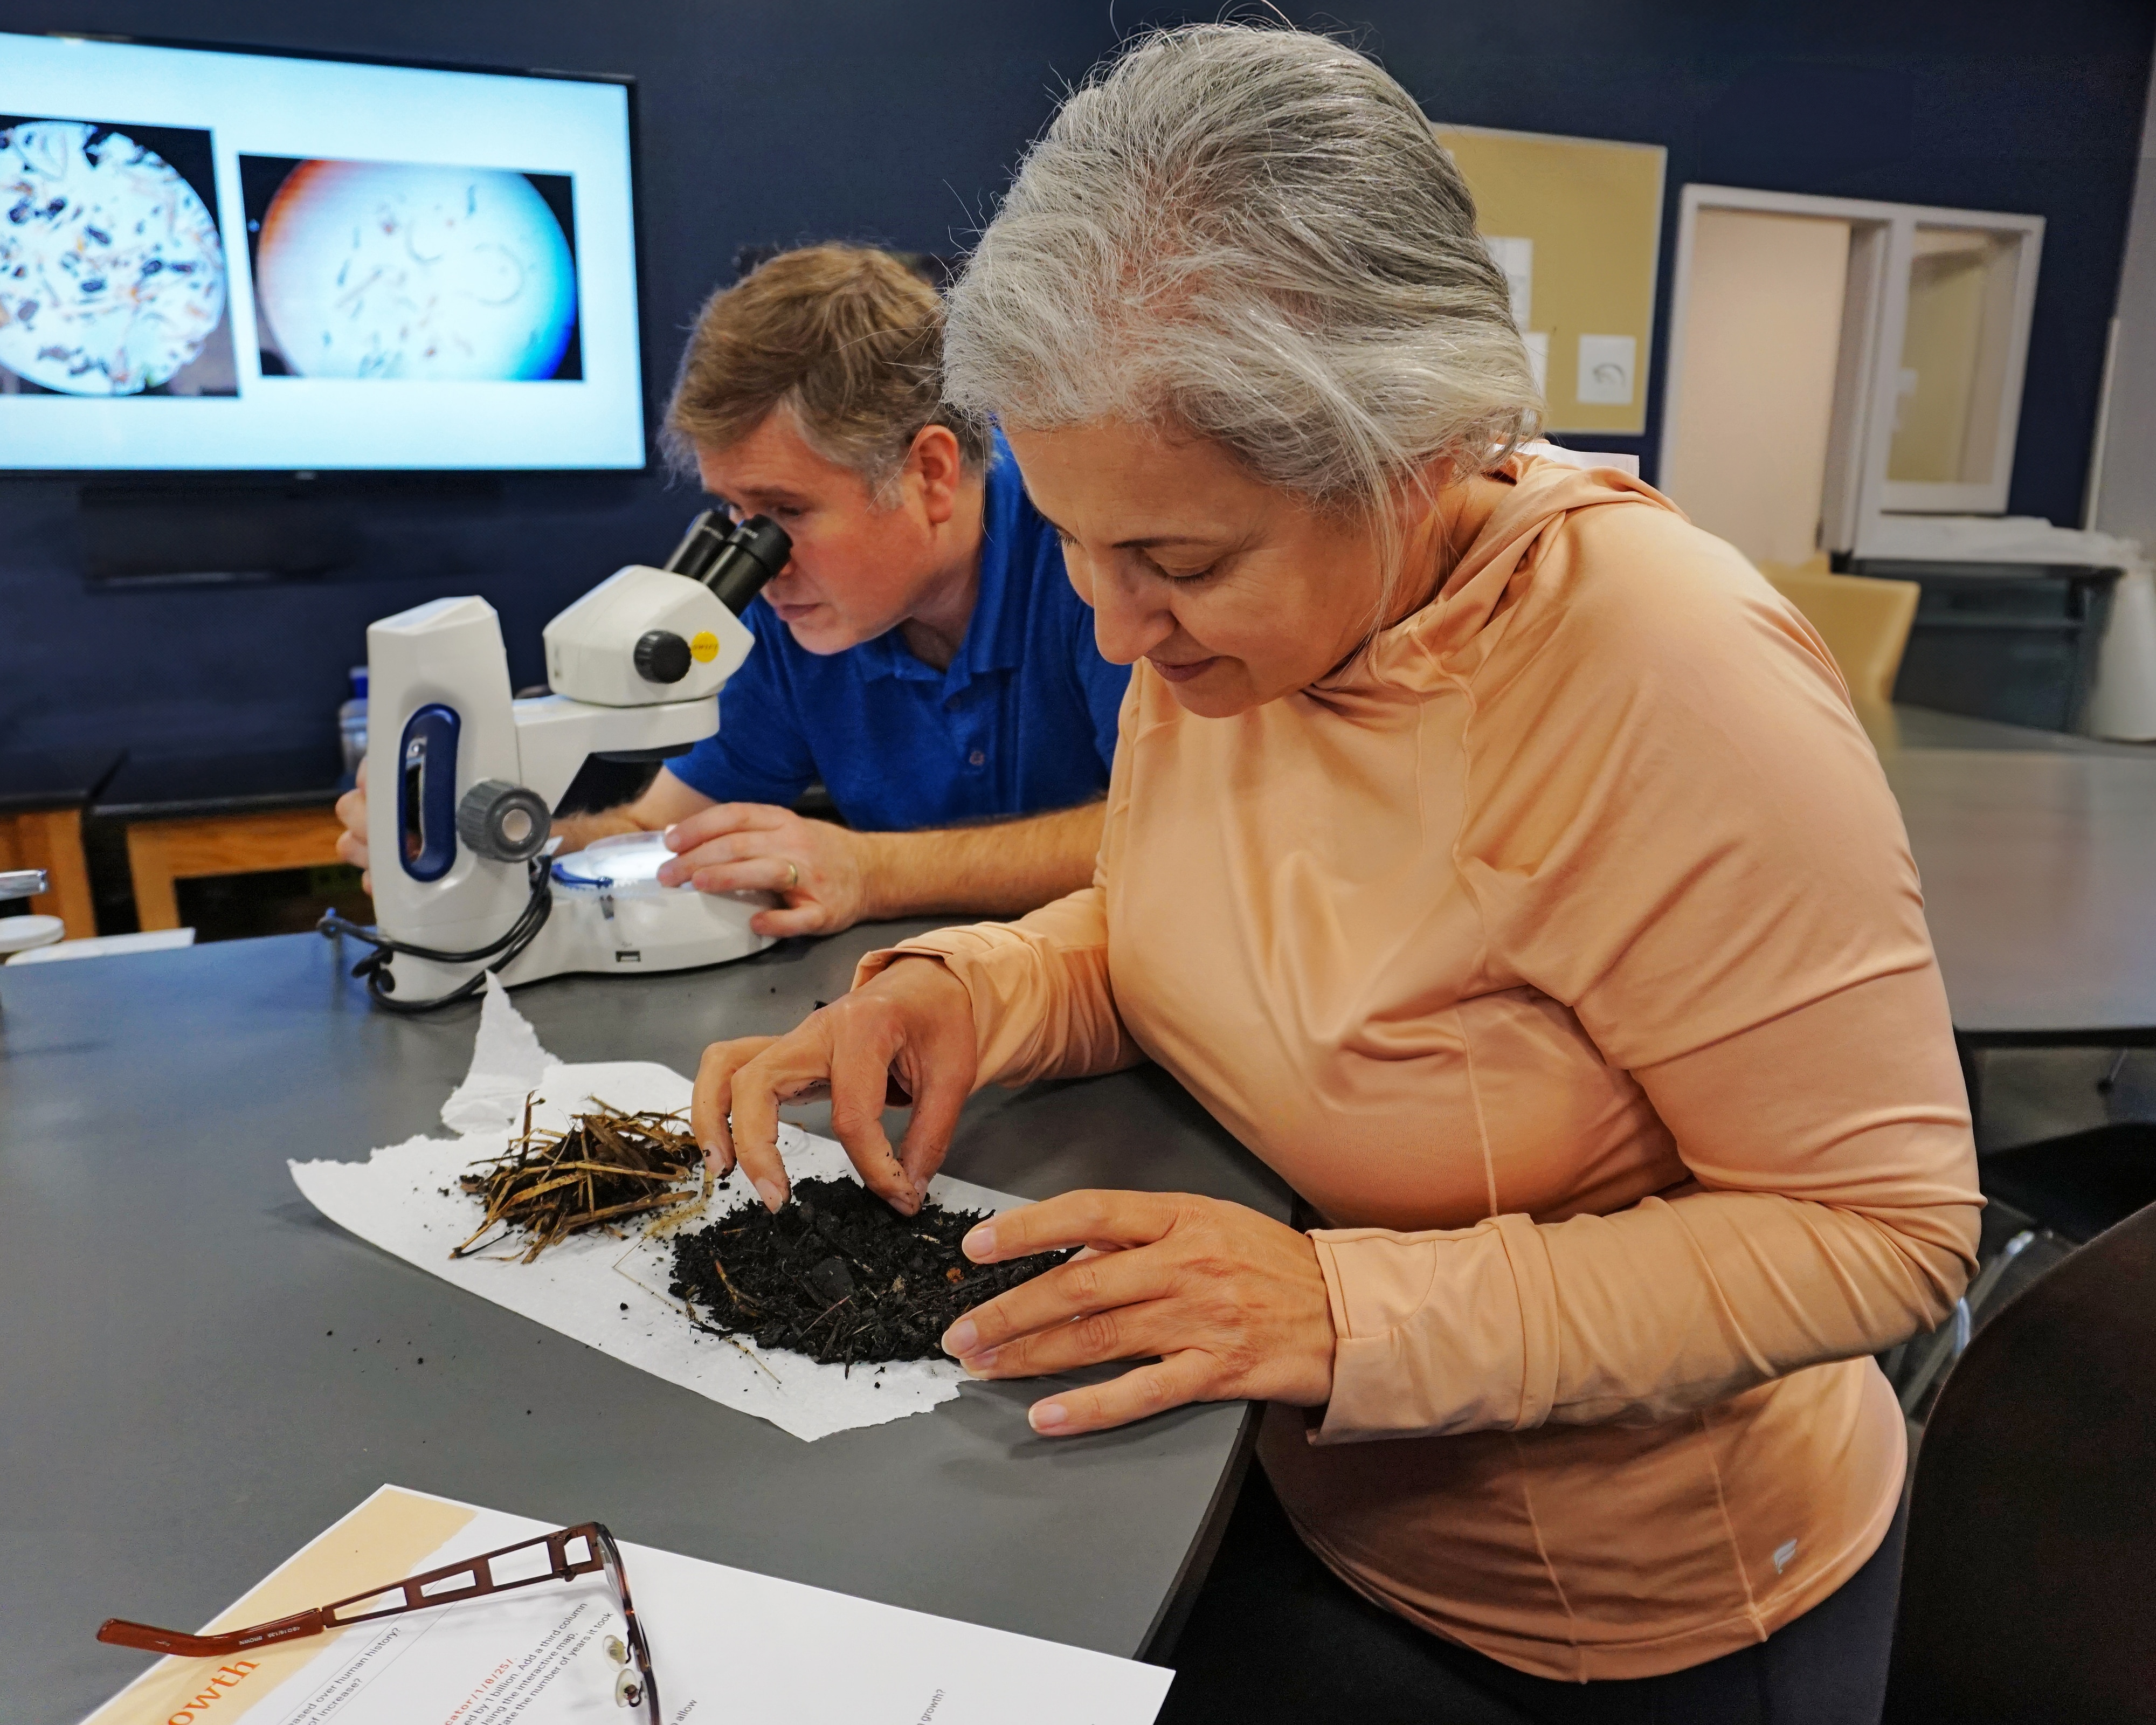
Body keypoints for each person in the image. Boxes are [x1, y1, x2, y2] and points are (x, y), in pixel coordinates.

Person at [688, 27, 1980, 1725]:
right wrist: (973, 985)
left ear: (1414, 448)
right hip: (1300, 1506)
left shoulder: (1663, 676)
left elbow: (1882, 1234)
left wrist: (1340, 1307)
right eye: (1072, 543)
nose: (1113, 630)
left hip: (1615, 1628)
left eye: (1175, 559)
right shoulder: (1243, 626)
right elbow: (1199, 915)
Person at [335, 245, 1126, 939]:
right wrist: (489, 847)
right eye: (738, 516)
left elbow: (1164, 840)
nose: (761, 562)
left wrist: (874, 871)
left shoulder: (1094, 555)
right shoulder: (794, 613)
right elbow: (659, 829)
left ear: (930, 473)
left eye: (786, 513)